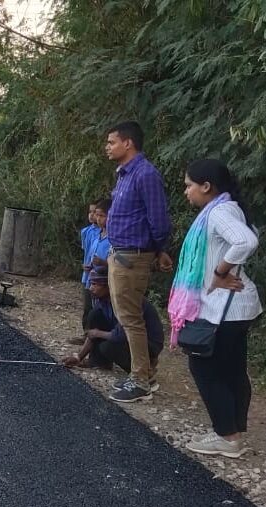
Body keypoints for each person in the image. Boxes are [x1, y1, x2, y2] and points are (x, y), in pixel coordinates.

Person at [171, 159, 262, 458]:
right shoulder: (229, 208)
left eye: (189, 186)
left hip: (227, 308)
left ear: (206, 186)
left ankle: (227, 435)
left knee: (205, 367)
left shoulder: (219, 212)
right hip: (239, 307)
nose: (186, 192)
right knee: (231, 368)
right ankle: (232, 430)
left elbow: (246, 241)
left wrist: (221, 272)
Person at [104, 121, 173, 403]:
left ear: (128, 143)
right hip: (119, 253)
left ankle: (141, 379)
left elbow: (159, 219)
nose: (107, 147)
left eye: (111, 142)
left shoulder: (145, 175)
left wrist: (160, 250)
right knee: (126, 316)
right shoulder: (124, 175)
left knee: (131, 318)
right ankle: (143, 373)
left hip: (133, 256)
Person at [63, 268, 164, 382]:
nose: (91, 288)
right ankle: (99, 362)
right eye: (91, 284)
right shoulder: (102, 301)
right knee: (94, 315)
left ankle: (144, 371)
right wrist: (79, 357)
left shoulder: (125, 301)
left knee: (108, 346)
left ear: (108, 286)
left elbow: (120, 335)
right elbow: (93, 333)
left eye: (96, 284)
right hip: (122, 334)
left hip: (148, 343)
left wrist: (97, 333)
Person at [74, 200, 102, 341]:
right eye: (90, 212)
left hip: (98, 275)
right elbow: (87, 251)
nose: (92, 216)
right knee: (87, 306)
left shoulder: (104, 233)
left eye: (95, 213)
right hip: (87, 274)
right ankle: (86, 334)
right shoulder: (86, 232)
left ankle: (94, 336)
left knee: (96, 307)